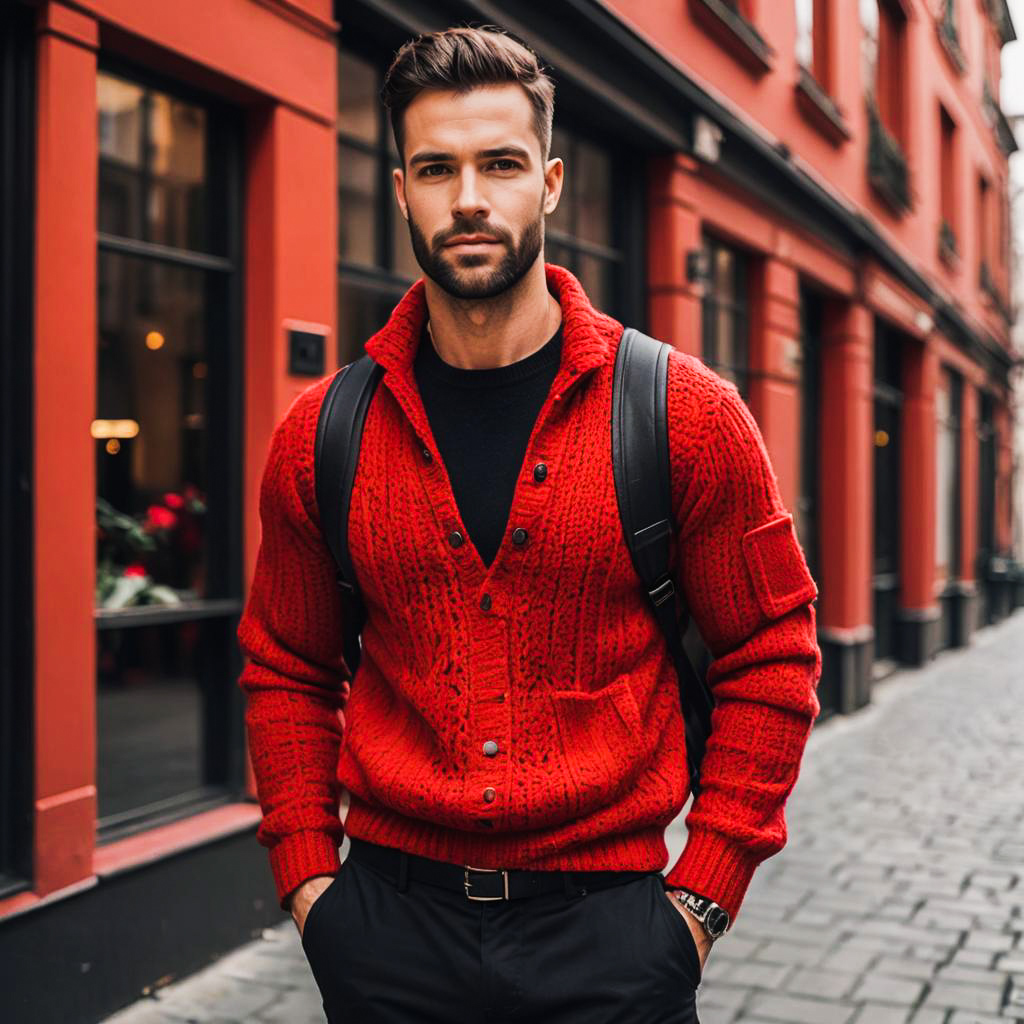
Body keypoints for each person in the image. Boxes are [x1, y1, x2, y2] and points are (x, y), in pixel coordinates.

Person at [236, 24, 822, 1024]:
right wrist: (309, 886)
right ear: (402, 187)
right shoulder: (321, 434)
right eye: (437, 167)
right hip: (385, 932)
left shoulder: (681, 412)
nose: (469, 198)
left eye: (500, 163)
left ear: (548, 182)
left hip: (613, 938)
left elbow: (772, 653)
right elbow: (286, 665)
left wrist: (699, 900)